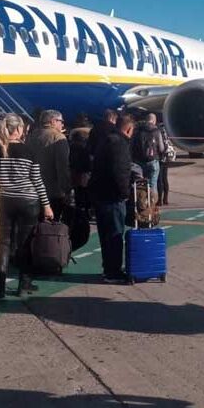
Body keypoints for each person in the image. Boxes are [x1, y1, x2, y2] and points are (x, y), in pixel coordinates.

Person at [0, 114, 54, 299]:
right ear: (20, 129)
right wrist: (46, 205)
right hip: (28, 201)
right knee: (25, 243)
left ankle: (0, 287)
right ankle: (24, 284)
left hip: (5, 202)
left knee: (3, 243)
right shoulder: (29, 151)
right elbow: (37, 181)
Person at [88, 114, 134, 283]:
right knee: (115, 235)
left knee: (106, 235)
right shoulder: (119, 144)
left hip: (100, 194)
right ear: (128, 129)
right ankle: (113, 271)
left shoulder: (106, 140)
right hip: (112, 196)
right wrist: (125, 194)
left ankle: (108, 268)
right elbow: (120, 172)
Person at [26, 109, 71, 218]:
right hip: (53, 191)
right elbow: (62, 166)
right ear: (53, 121)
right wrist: (66, 189)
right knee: (51, 229)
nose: (62, 124)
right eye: (61, 121)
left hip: (33, 190)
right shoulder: (58, 138)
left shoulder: (31, 136)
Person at [131, 113, 165, 191]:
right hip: (152, 161)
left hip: (139, 161)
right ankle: (151, 200)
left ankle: (142, 200)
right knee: (152, 184)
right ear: (154, 120)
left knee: (141, 184)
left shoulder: (138, 130)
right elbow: (161, 148)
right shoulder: (156, 130)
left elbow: (132, 145)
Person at [157, 121, 173, 205]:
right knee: (165, 178)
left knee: (159, 179)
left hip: (160, 157)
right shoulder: (167, 131)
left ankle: (159, 199)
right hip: (166, 157)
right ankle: (165, 199)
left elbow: (160, 147)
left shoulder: (158, 131)